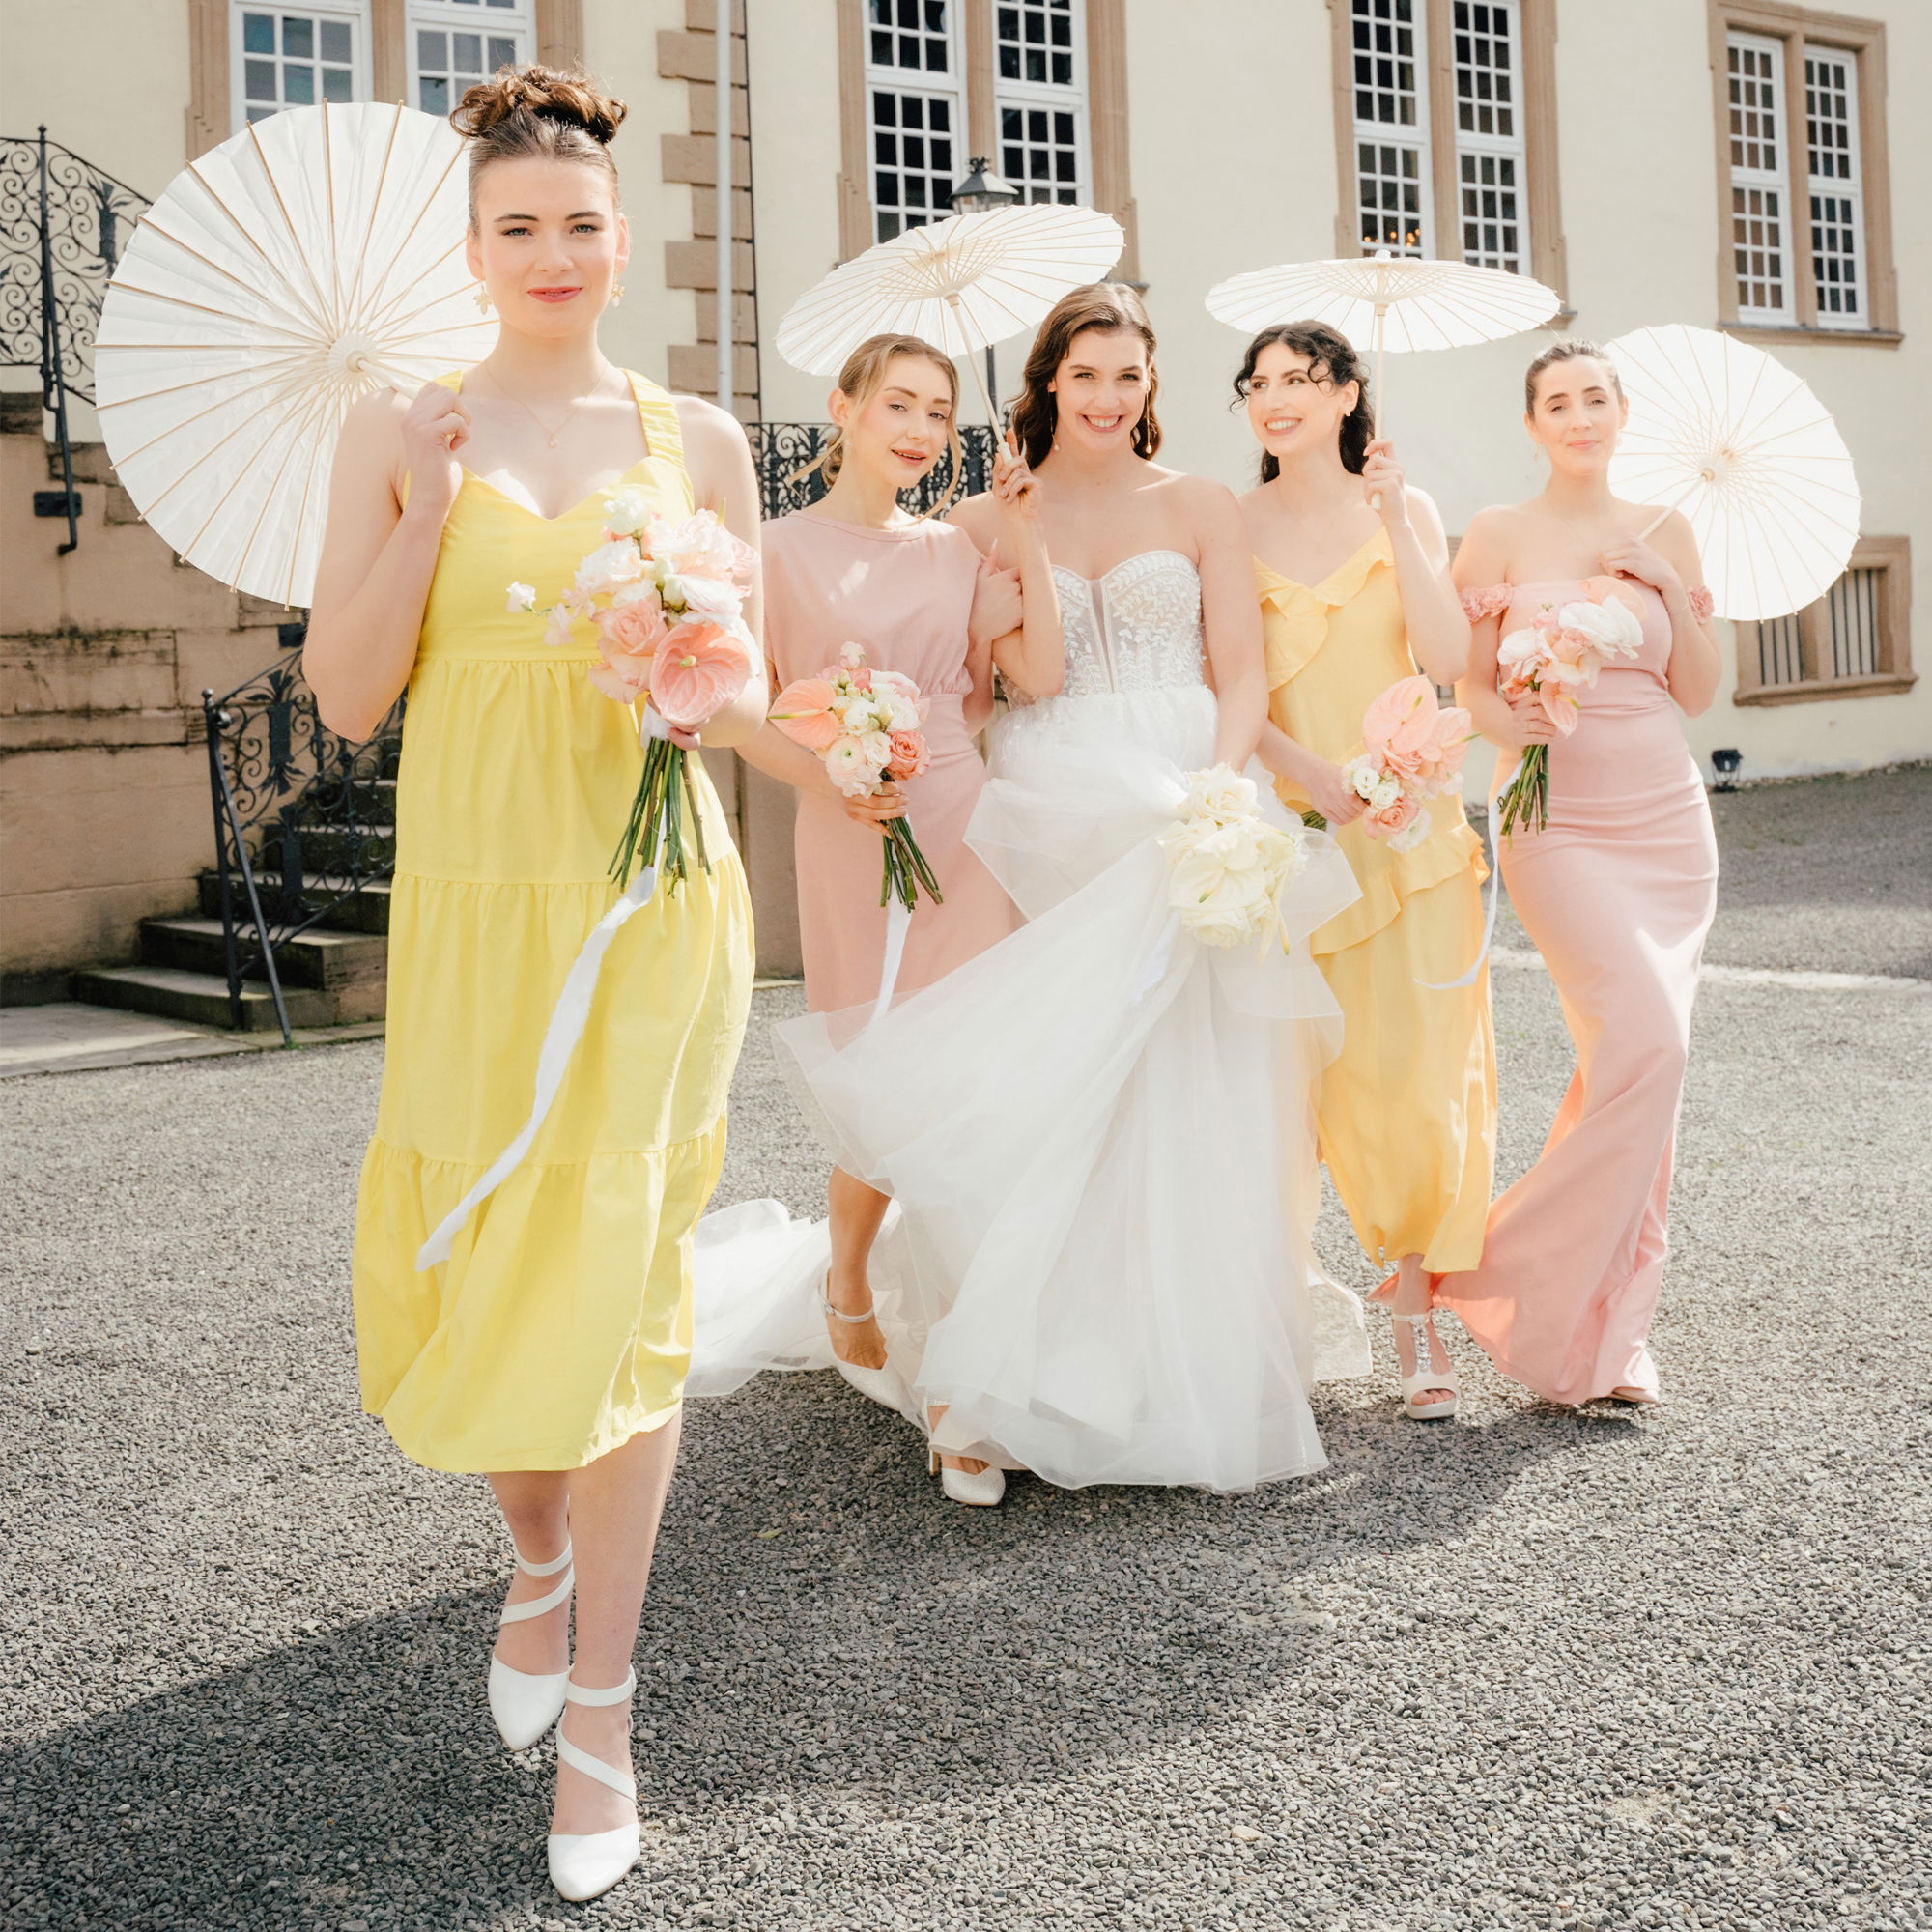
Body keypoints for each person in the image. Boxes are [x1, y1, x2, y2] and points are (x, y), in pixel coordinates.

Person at [304, 66, 765, 1903]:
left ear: (621, 239)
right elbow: (346, 697)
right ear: (472, 251)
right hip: (475, 919)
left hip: (653, 903)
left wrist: (725, 672)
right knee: (475, 1264)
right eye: (518, 229)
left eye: (581, 224)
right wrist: (423, 507)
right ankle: (535, 1548)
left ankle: (603, 1730)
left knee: (623, 1283)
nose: (554, 253)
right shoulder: (402, 431)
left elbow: (746, 694)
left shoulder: (701, 440)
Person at [760, 283, 1365, 1495]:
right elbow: (991, 679)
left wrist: (1218, 789)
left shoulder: (1195, 502)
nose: (1106, 397)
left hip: (1184, 793)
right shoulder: (975, 516)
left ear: (1150, 389)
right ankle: (995, 1365)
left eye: (1128, 377)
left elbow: (1234, 669)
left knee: (1191, 1083)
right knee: (1037, 1083)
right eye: (1085, 374)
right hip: (1041, 808)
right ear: (1045, 381)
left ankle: (1179, 1355)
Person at [698, 332, 1048, 1503]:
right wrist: (833, 772)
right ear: (841, 409)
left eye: (937, 413)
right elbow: (740, 708)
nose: (915, 428)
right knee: (879, 1075)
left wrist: (1025, 535)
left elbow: (997, 691)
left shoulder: (956, 546)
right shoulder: (773, 551)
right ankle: (847, 1271)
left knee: (981, 1097)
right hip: (847, 826)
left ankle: (959, 1387)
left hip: (958, 819)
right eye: (895, 402)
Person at [1432, 340, 1719, 1406]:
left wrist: (1668, 597)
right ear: (1531, 424)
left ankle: (1610, 1337)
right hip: (1551, 816)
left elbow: (1696, 688)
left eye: (1594, 398)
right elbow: (1459, 688)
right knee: (1643, 1039)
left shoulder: (1666, 528)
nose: (1578, 416)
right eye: (1557, 402)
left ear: (1620, 412)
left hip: (1665, 820)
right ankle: (1505, 1269)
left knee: (1644, 1066)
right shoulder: (1498, 535)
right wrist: (1525, 711)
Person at [1236, 322, 1494, 1422]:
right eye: (1259, 383)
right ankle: (1270, 1311)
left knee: (1410, 1075)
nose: (1275, 397)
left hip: (1407, 838)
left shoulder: (1404, 506)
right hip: (1289, 837)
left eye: (1301, 379)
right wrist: (1305, 773)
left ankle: (1412, 1312)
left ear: (1348, 394)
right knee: (1286, 1087)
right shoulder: (1228, 521)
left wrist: (1394, 518)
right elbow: (1226, 685)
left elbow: (1445, 664)